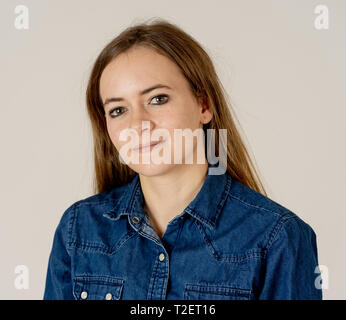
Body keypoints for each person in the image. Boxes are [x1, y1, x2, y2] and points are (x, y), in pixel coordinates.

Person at [43, 18, 322, 300]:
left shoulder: (277, 238)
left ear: (204, 105)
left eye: (158, 99)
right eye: (118, 110)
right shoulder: (77, 228)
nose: (138, 124)